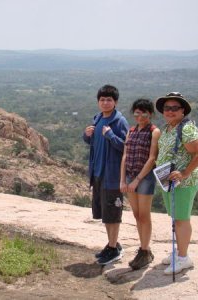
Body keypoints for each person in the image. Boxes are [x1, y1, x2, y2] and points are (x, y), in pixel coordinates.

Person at [155, 92, 198, 275]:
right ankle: (179, 252)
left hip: (183, 183)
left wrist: (184, 173)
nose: (169, 111)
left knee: (182, 219)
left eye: (174, 108)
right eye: (166, 108)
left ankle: (184, 258)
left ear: (182, 110)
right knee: (176, 218)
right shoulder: (169, 127)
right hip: (170, 182)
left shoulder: (186, 128)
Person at [83, 84, 129, 265]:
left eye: (109, 99)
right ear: (98, 102)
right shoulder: (98, 118)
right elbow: (93, 143)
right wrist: (86, 136)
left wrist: (111, 135)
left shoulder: (119, 122)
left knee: (113, 213)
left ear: (115, 102)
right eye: (102, 99)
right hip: (98, 173)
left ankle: (113, 249)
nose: (105, 102)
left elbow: (126, 147)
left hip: (112, 176)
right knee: (105, 213)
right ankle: (112, 245)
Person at [120, 99, 160, 270]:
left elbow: (152, 158)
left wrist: (137, 180)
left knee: (144, 215)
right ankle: (144, 249)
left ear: (150, 114)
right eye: (137, 112)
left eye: (144, 112)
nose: (140, 115)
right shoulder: (131, 131)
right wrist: (123, 180)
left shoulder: (154, 131)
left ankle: (144, 250)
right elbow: (125, 156)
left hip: (145, 178)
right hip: (129, 175)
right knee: (136, 215)